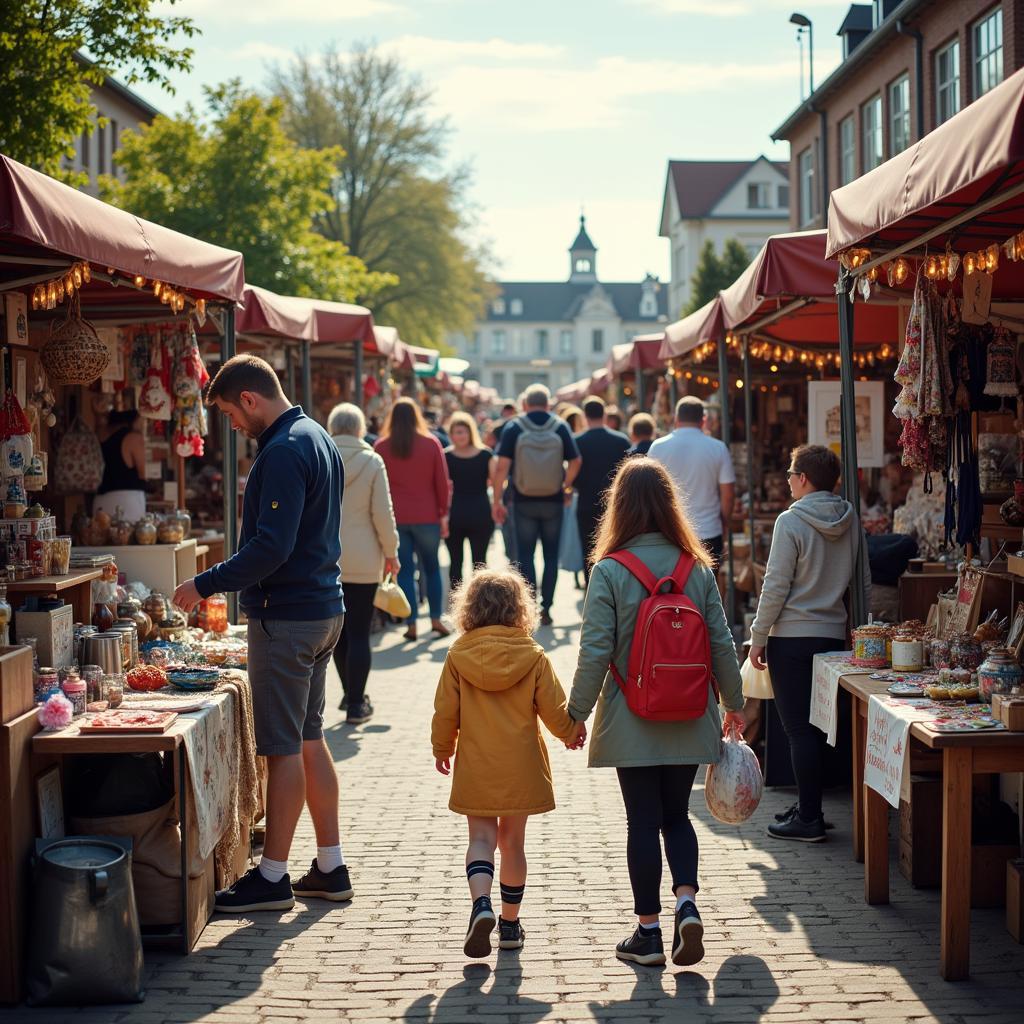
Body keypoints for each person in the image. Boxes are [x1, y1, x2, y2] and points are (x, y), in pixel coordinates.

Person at [172, 354, 351, 912]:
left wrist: (204, 583)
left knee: (282, 748)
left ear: (249, 399)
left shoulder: (281, 450)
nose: (231, 424)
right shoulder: (316, 435)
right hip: (321, 608)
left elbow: (270, 548)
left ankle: (272, 877)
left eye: (228, 412)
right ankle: (330, 865)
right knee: (308, 737)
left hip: (289, 616)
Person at [567, 459, 744, 968]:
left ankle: (648, 934)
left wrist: (575, 714)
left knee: (641, 823)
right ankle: (687, 905)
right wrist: (734, 703)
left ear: (617, 508)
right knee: (676, 818)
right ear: (671, 505)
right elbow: (720, 642)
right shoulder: (697, 567)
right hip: (690, 711)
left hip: (632, 717)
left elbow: (594, 650)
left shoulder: (609, 570)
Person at [431, 570, 585, 958]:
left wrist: (441, 748)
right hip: (521, 766)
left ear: (469, 610)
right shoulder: (532, 655)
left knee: (480, 840)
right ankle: (510, 925)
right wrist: (570, 733)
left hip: (477, 763)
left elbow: (445, 711)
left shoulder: (457, 656)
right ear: (520, 610)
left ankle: (480, 903)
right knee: (513, 844)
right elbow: (554, 709)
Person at [748, 445, 871, 843]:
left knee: (799, 731)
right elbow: (862, 581)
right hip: (833, 635)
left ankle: (810, 819)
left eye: (790, 473)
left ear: (803, 478)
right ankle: (808, 807)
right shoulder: (850, 519)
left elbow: (776, 584)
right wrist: (861, 632)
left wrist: (758, 636)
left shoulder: (791, 521)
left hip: (792, 638)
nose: (787, 480)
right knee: (817, 729)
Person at [328, 402, 400, 726]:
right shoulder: (372, 461)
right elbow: (382, 513)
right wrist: (392, 551)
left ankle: (350, 692)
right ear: (360, 429)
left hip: (326, 557)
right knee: (359, 632)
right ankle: (357, 702)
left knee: (339, 634)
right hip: (364, 557)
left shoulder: (319, 457)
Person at [492, 385, 581, 626]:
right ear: (549, 404)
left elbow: (501, 467)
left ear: (525, 405)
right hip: (552, 501)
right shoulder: (560, 426)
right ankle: (547, 608)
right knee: (551, 556)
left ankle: (529, 606)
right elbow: (576, 460)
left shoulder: (514, 427)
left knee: (526, 555)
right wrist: (566, 486)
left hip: (522, 501)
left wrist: (497, 500)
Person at [375, 398, 452, 642]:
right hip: (427, 515)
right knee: (431, 568)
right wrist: (443, 514)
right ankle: (436, 618)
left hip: (396, 517)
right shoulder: (431, 444)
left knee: (405, 570)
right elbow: (442, 483)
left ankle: (411, 623)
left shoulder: (382, 447)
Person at [648, 396, 735, 569]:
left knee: (672, 591)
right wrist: (724, 520)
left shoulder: (657, 447)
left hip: (669, 531)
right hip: (709, 530)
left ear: (676, 418)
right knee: (707, 590)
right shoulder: (718, 448)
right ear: (703, 420)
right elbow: (728, 494)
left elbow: (649, 492)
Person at [573, 397, 630, 580]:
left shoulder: (577, 441)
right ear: (604, 414)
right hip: (616, 504)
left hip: (586, 502)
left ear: (584, 415)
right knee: (616, 547)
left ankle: (591, 586)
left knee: (588, 548)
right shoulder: (621, 441)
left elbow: (574, 474)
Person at [444, 412, 495, 591]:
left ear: (471, 432)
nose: (460, 436)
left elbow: (495, 482)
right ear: (451, 434)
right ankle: (458, 602)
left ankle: (480, 601)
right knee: (455, 562)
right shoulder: (445, 456)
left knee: (479, 563)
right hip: (455, 515)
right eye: (457, 432)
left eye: (463, 431)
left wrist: (497, 505)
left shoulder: (485, 455)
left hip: (480, 513)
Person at [94, 408, 147, 520]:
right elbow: (143, 472)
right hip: (127, 499)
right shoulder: (133, 438)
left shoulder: (100, 435)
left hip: (100, 499)